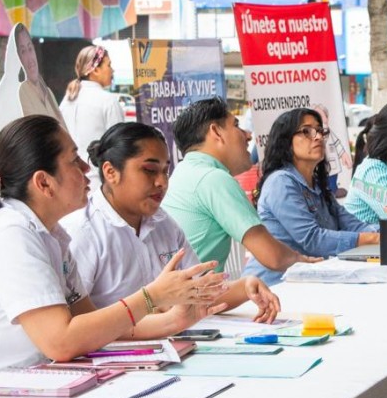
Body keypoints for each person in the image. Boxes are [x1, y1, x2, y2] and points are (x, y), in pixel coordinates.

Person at [0, 115, 229, 398]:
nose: (85, 169)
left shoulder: (53, 235)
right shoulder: (10, 233)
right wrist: (152, 297)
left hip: (4, 390)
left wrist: (174, 320)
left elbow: (92, 325)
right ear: (44, 183)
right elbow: (61, 341)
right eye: (73, 161)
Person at [62, 121, 281, 321]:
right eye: (149, 170)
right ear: (111, 172)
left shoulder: (163, 223)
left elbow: (199, 294)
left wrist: (245, 287)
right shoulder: (82, 232)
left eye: (165, 171)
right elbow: (80, 326)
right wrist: (160, 315)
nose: (161, 182)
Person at [162, 97, 321, 275]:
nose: (248, 135)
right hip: (191, 298)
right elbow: (273, 256)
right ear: (216, 132)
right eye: (236, 125)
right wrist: (306, 261)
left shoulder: (185, 172)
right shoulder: (213, 178)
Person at [242, 108, 379, 285]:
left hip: (308, 281)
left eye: (321, 131)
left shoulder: (316, 183)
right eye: (307, 131)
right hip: (273, 287)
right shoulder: (281, 182)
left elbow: (351, 223)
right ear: (286, 141)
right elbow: (312, 239)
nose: (318, 137)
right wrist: (371, 239)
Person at [59, 45, 124, 184]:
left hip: (70, 183)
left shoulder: (66, 102)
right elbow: (120, 147)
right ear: (95, 69)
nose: (112, 70)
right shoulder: (108, 101)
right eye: (109, 65)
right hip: (99, 183)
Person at [15, 24, 65, 123]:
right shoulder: (21, 93)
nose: (30, 59)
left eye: (30, 49)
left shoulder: (48, 92)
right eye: (23, 51)